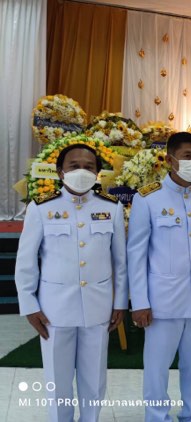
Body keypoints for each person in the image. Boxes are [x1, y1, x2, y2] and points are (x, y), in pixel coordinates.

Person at [15, 143, 127, 422]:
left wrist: (120, 303)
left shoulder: (111, 208)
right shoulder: (41, 208)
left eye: (89, 167)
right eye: (74, 166)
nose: (81, 171)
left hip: (98, 307)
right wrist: (29, 306)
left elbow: (120, 263)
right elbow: (26, 262)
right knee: (57, 380)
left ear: (98, 173)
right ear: (60, 171)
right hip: (54, 310)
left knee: (94, 379)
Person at [128, 132, 191, 422]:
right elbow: (136, 254)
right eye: (187, 156)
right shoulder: (148, 198)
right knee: (157, 367)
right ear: (170, 160)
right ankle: (157, 417)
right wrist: (139, 302)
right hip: (163, 299)